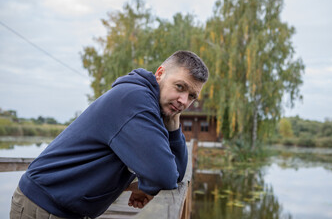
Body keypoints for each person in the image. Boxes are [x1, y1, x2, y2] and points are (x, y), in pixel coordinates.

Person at [10, 50, 209, 219]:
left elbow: (177, 174)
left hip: (62, 207)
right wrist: (148, 185)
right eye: (180, 87)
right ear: (160, 74)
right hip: (42, 206)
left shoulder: (152, 107)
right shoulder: (135, 100)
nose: (183, 100)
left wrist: (173, 125)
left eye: (192, 96)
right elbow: (163, 175)